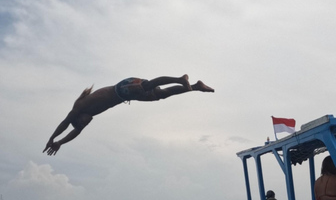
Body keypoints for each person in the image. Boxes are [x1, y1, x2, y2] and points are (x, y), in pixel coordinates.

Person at [44, 75, 214, 155]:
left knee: (147, 85)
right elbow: (75, 132)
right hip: (126, 96)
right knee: (161, 95)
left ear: (78, 118)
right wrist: (60, 143)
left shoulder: (80, 106)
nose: (87, 123)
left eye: (84, 123)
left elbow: (65, 124)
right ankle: (196, 86)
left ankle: (180, 78)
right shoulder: (86, 116)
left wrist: (52, 138)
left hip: (121, 88)